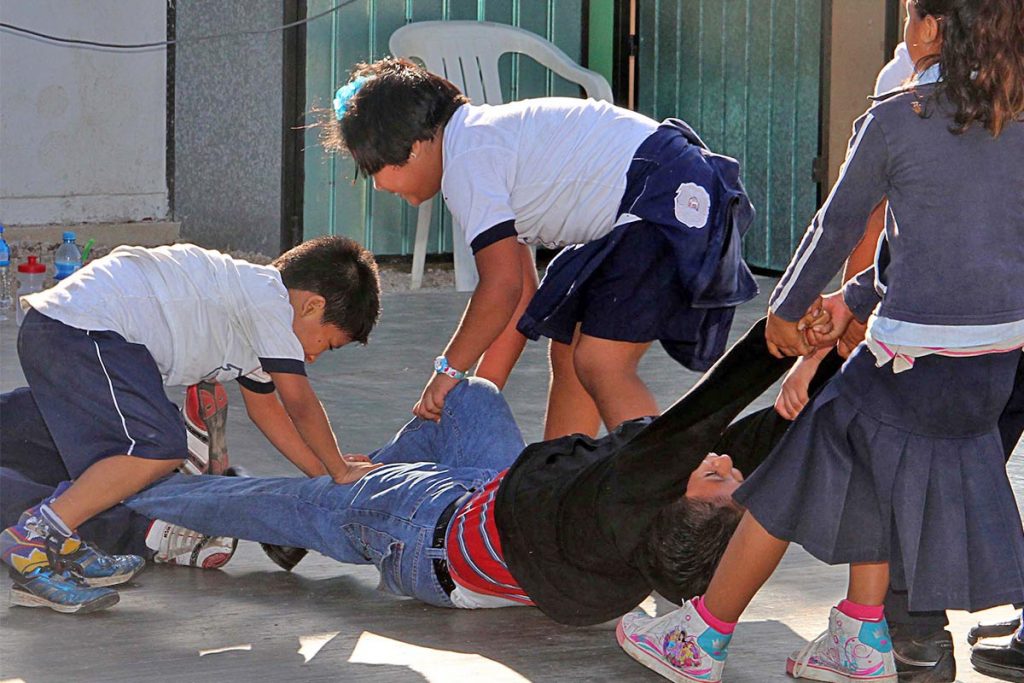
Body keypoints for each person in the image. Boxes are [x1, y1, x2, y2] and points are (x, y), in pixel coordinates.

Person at [616, 1, 1024, 681]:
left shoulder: (895, 120)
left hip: (908, 360)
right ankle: (861, 636)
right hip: (992, 366)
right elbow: (937, 252)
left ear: (928, 27)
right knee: (873, 471)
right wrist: (855, 299)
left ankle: (702, 639)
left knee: (782, 485)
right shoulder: (1013, 124)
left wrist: (787, 310)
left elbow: (835, 227)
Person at [19, 319, 817, 622]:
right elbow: (749, 443)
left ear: (677, 498)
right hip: (498, 503)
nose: (718, 460)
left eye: (714, 478)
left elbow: (696, 421)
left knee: (269, 500)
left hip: (415, 529)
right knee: (468, 396)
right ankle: (353, 474)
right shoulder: (654, 533)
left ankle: (112, 490)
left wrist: (774, 345)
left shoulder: (623, 501)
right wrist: (835, 366)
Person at [322, 57, 759, 440]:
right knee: (567, 347)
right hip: (652, 196)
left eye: (375, 168)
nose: (378, 185)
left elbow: (500, 287)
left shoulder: (467, 159)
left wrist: (448, 371)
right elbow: (521, 297)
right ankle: (557, 481)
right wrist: (476, 394)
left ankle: (671, 495)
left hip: (661, 198)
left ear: (415, 147)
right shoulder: (477, 140)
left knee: (601, 361)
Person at [0, 236, 382, 614]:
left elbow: (268, 411)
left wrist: (323, 476)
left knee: (114, 457)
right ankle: (36, 536)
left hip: (64, 331)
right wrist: (340, 467)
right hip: (82, 331)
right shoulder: (269, 299)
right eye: (327, 343)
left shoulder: (252, 322)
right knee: (156, 445)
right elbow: (298, 402)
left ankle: (56, 545)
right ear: (312, 305)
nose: (313, 357)